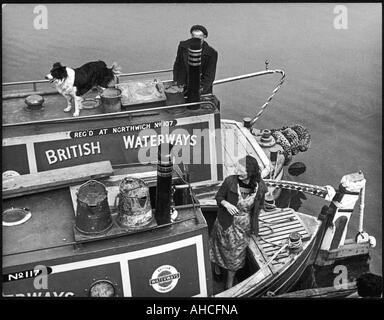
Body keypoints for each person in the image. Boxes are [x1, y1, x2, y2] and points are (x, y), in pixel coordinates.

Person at [209, 155, 268, 289]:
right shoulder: (230, 181)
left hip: (244, 227)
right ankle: (217, 269)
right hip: (225, 223)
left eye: (242, 170)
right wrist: (226, 204)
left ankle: (229, 284)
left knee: (236, 256)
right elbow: (218, 197)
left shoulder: (261, 187)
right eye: (237, 169)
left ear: (251, 172)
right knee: (219, 248)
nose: (238, 172)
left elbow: (260, 206)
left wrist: (255, 225)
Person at [173, 25, 218, 95]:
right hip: (182, 86)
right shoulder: (183, 46)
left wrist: (200, 90)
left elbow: (209, 75)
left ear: (204, 36)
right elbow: (177, 65)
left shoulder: (211, 53)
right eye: (194, 37)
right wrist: (176, 81)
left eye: (200, 36)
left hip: (200, 88)